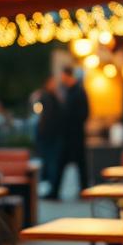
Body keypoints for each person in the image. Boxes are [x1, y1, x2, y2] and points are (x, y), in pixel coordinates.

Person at [50, 65, 90, 198]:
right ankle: (55, 191)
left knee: (79, 165)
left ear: (67, 76)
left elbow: (84, 114)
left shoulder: (78, 92)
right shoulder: (69, 91)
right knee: (62, 164)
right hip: (68, 135)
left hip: (75, 136)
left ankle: (83, 190)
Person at [35, 75, 63, 199]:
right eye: (52, 82)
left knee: (50, 164)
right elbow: (48, 117)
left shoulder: (50, 96)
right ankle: (49, 190)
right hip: (49, 136)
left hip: (50, 136)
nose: (55, 84)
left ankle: (50, 190)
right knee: (50, 164)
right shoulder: (46, 96)